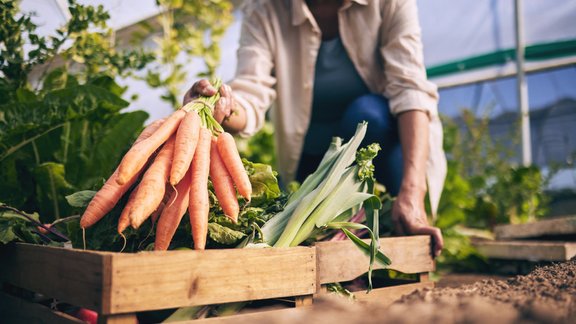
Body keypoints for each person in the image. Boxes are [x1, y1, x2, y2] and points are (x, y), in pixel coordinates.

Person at [183, 0, 446, 257]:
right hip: (312, 166)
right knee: (306, 229)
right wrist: (223, 106)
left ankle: (390, 220)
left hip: (385, 154)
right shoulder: (265, 10)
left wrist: (413, 192)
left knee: (368, 115)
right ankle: (347, 246)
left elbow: (410, 90)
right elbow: (252, 91)